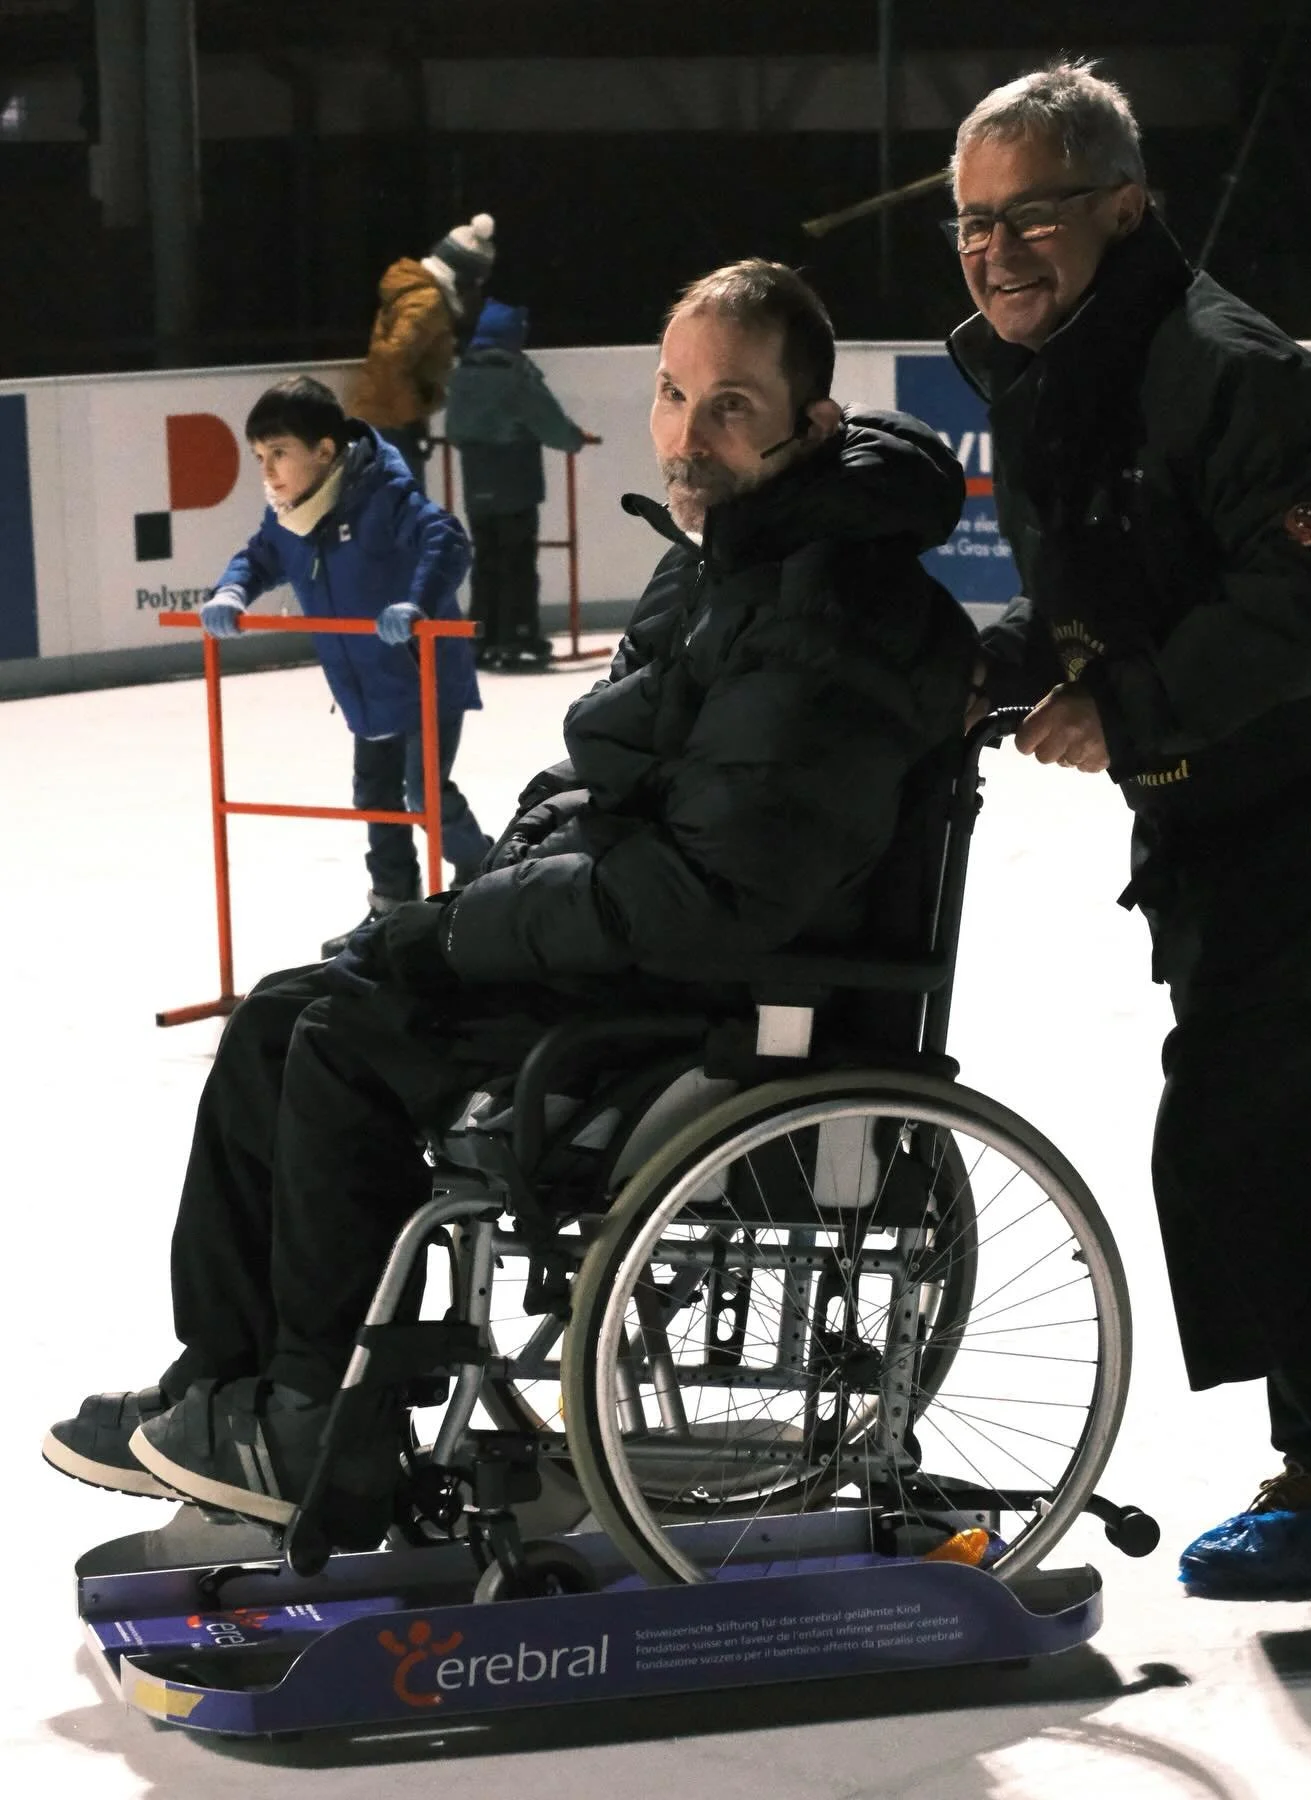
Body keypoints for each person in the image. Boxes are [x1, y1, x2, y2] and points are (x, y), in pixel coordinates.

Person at [41, 261, 976, 1545]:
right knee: (281, 1015)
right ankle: (233, 1385)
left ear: (811, 426)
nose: (687, 437)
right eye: (671, 396)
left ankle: (321, 1421)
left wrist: (469, 925)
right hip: (635, 953)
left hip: (720, 1002)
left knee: (347, 1042)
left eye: (731, 408)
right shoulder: (736, 559)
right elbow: (606, 787)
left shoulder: (832, 609)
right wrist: (478, 905)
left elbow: (709, 891)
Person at [948, 60, 1311, 1590]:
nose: (997, 251)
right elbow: (1117, 584)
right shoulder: (1065, 371)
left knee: (1266, 1127)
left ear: (1126, 208)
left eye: (1034, 216)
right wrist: (992, 667)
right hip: (1231, 809)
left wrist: (1134, 707)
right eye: (972, 223)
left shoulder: (1243, 373)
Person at [189, 375, 492, 958]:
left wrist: (416, 604)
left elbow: (446, 539)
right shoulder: (290, 517)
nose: (268, 471)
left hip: (421, 672)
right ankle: (391, 905)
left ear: (325, 451)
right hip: (364, 686)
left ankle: (481, 873)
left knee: (424, 788)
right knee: (374, 793)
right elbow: (257, 556)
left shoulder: (382, 497)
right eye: (259, 457)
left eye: (280, 454)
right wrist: (231, 592)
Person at [445, 296, 596, 670]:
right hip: (515, 484)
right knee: (517, 561)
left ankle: (482, 638)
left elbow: (453, 429)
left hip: (477, 487)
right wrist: (574, 438)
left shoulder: (463, 376)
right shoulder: (516, 377)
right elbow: (550, 424)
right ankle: (518, 636)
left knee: (487, 559)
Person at [351, 214, 497, 485]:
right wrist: (410, 419)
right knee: (406, 516)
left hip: (386, 420)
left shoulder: (424, 296)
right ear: (462, 275)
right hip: (391, 425)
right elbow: (392, 358)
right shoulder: (427, 304)